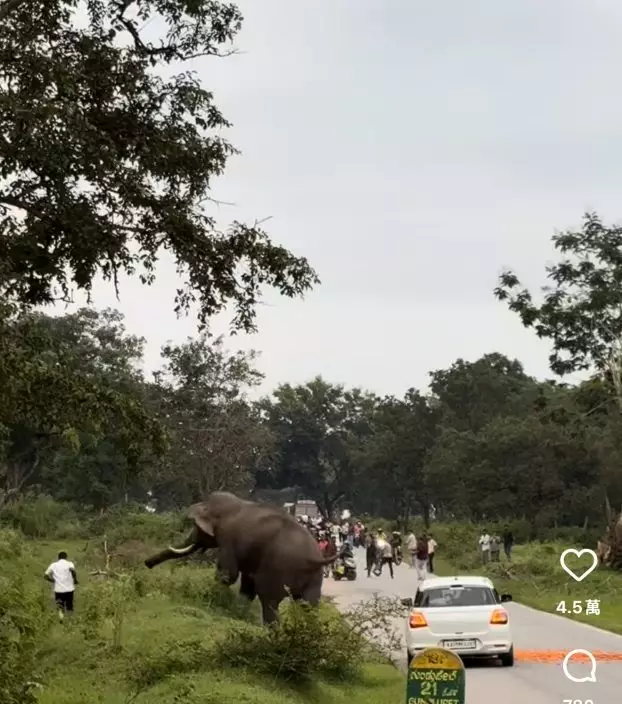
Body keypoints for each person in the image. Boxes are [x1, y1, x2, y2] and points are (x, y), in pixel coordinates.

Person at [44, 550, 78, 620]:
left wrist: (52, 580)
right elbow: (73, 571)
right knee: (69, 605)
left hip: (58, 590)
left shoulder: (53, 565)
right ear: (66, 557)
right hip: (69, 589)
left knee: (60, 606)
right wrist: (75, 580)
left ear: (58, 557)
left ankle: (61, 618)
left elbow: (45, 576)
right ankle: (70, 619)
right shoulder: (69, 563)